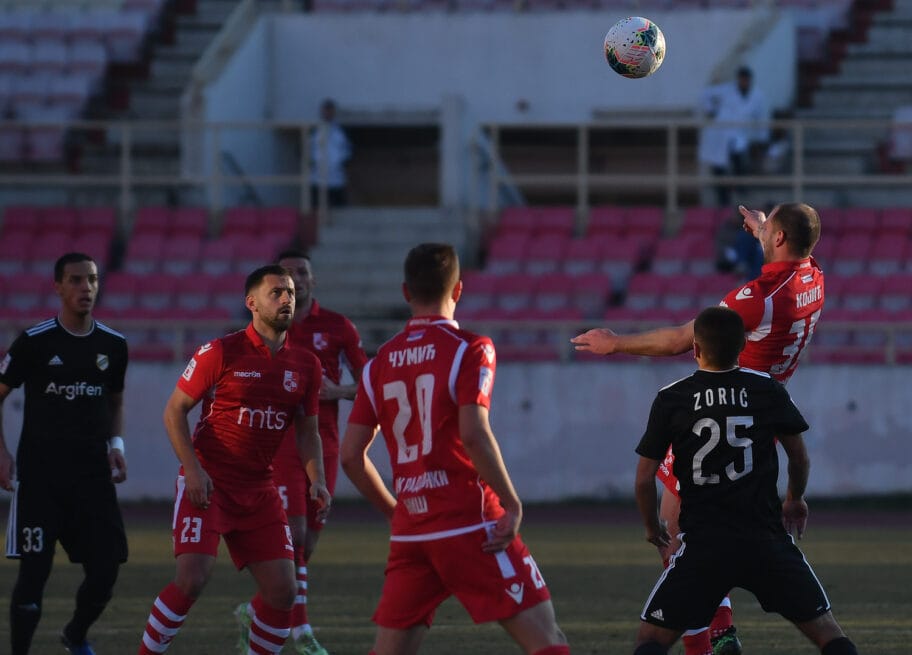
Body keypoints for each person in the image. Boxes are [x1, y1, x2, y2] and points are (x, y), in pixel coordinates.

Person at [572, 202, 824, 655]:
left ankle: (713, 635)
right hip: (760, 420)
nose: (763, 230)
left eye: (770, 228)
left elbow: (680, 339)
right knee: (724, 536)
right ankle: (721, 630)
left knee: (677, 540)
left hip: (720, 410)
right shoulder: (814, 278)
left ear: (780, 238)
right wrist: (764, 231)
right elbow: (791, 252)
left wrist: (615, 343)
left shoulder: (755, 299)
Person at [340, 243, 570, 655]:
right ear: (459, 289)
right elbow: (474, 434)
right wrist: (511, 503)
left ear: (406, 292)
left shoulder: (378, 363)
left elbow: (350, 456)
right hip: (471, 524)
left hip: (412, 532)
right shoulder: (470, 348)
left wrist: (395, 512)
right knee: (548, 642)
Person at [631, 306, 858, 655]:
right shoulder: (766, 389)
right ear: (742, 347)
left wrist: (651, 527)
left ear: (695, 348)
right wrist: (794, 498)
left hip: (704, 545)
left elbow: (644, 479)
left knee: (650, 642)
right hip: (765, 541)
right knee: (830, 635)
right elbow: (799, 457)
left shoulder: (672, 398)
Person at [137, 265, 331, 655]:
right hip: (209, 483)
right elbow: (174, 411)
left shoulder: (306, 364)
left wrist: (318, 479)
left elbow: (307, 432)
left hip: (259, 489)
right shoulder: (220, 351)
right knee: (192, 578)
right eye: (276, 292)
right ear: (251, 303)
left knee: (283, 590)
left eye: (290, 292)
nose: (287, 299)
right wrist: (193, 471)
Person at [234, 249, 369, 655]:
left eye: (302, 273)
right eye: (287, 275)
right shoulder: (269, 326)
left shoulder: (338, 327)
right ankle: (301, 631)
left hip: (323, 443)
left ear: (312, 280)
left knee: (305, 546)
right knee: (292, 537)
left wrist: (337, 391)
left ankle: (254, 611)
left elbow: (370, 383)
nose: (295, 281)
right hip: (280, 445)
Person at [0, 252, 129, 655]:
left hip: (92, 479)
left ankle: (75, 635)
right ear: (57, 286)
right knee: (34, 574)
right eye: (75, 280)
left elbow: (115, 402)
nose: (85, 287)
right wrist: (1, 453)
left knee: (106, 569)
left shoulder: (114, 345)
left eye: (91, 279)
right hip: (40, 480)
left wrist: (116, 446)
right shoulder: (34, 342)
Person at [697, 66, 770, 206]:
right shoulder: (726, 90)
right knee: (719, 168)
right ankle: (723, 198)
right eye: (742, 79)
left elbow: (761, 117)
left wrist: (762, 138)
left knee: (739, 163)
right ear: (738, 79)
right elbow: (706, 94)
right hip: (720, 134)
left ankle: (740, 192)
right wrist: (710, 110)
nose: (744, 82)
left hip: (739, 135)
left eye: (746, 79)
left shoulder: (757, 96)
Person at [310, 98, 352, 209]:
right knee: (316, 207)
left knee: (338, 207)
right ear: (322, 111)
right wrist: (313, 162)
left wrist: (341, 163)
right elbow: (305, 149)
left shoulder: (341, 130)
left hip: (336, 177)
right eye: (326, 110)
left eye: (330, 110)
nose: (328, 113)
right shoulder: (314, 130)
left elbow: (348, 150)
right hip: (317, 176)